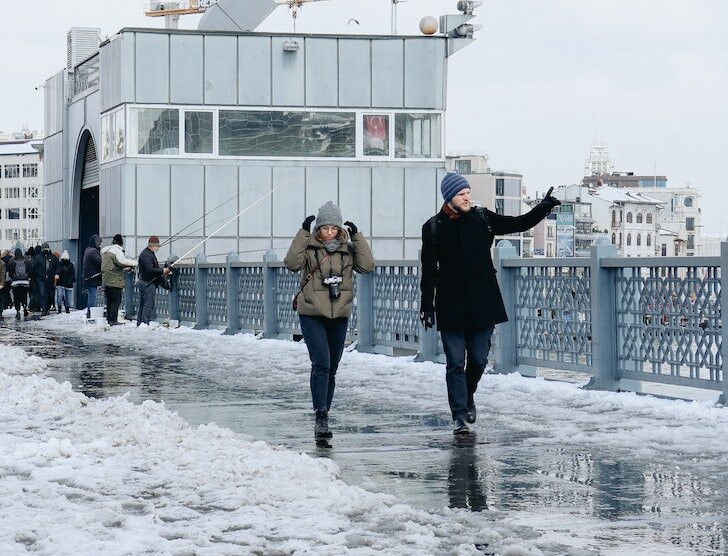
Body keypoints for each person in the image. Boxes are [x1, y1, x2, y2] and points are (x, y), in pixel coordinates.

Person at [420, 173, 561, 435]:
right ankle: (459, 416)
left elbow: (519, 223)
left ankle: (468, 393)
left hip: (482, 302)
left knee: (478, 358)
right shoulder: (433, 228)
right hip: (450, 303)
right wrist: (426, 306)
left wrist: (543, 207)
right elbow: (428, 271)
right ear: (448, 197)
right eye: (462, 194)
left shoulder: (483, 219)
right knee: (454, 361)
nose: (467, 197)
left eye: (468, 193)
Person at [285, 201, 374, 440]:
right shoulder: (309, 247)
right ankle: (321, 415)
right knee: (321, 363)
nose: (328, 232)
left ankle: (325, 412)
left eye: (333, 228)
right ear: (318, 229)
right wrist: (303, 233)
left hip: (339, 314)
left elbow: (367, 266)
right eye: (324, 228)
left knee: (332, 368)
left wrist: (357, 238)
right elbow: (291, 264)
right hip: (312, 312)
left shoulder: (347, 249)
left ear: (339, 228)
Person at [101, 234, 137, 325]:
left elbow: (114, 265)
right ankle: (113, 320)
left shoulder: (106, 251)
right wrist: (135, 263)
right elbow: (122, 261)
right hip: (114, 281)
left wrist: (123, 269)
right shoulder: (117, 251)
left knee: (109, 300)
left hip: (106, 279)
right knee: (115, 300)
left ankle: (109, 319)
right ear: (121, 243)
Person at [136, 235, 170, 326]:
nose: (158, 248)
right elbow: (149, 269)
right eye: (157, 246)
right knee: (148, 305)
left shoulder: (147, 254)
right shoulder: (147, 255)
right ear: (152, 245)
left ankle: (141, 323)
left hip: (145, 282)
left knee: (143, 304)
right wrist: (162, 270)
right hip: (148, 283)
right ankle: (144, 323)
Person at [32, 242, 59, 316]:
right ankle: (44, 309)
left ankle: (47, 307)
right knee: (42, 294)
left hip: (50, 279)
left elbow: (57, 267)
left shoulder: (53, 257)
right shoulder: (39, 257)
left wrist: (57, 274)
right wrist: (36, 276)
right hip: (41, 279)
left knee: (51, 295)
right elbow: (33, 267)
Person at [83, 234, 103, 318]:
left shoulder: (88, 250)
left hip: (88, 277)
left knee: (90, 296)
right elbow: (100, 262)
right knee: (92, 297)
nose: (99, 245)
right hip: (92, 278)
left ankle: (89, 312)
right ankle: (90, 313)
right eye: (98, 243)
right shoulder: (93, 251)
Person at [7, 248, 30, 319]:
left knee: (16, 297)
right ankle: (25, 306)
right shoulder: (26, 260)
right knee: (24, 295)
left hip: (15, 282)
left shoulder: (11, 261)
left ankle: (18, 311)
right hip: (25, 282)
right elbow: (30, 270)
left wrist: (13, 278)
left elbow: (10, 272)